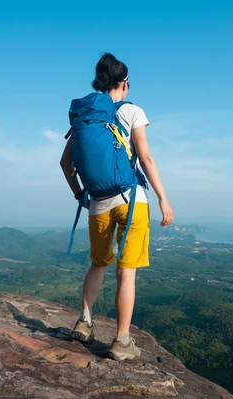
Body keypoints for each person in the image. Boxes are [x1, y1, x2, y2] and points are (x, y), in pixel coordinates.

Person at [60, 53, 174, 360]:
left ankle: (84, 321)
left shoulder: (87, 116)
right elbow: (146, 158)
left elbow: (65, 161)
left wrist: (79, 195)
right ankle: (122, 341)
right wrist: (163, 197)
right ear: (125, 83)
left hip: (97, 203)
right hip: (131, 200)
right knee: (127, 272)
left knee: (98, 264)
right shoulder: (132, 111)